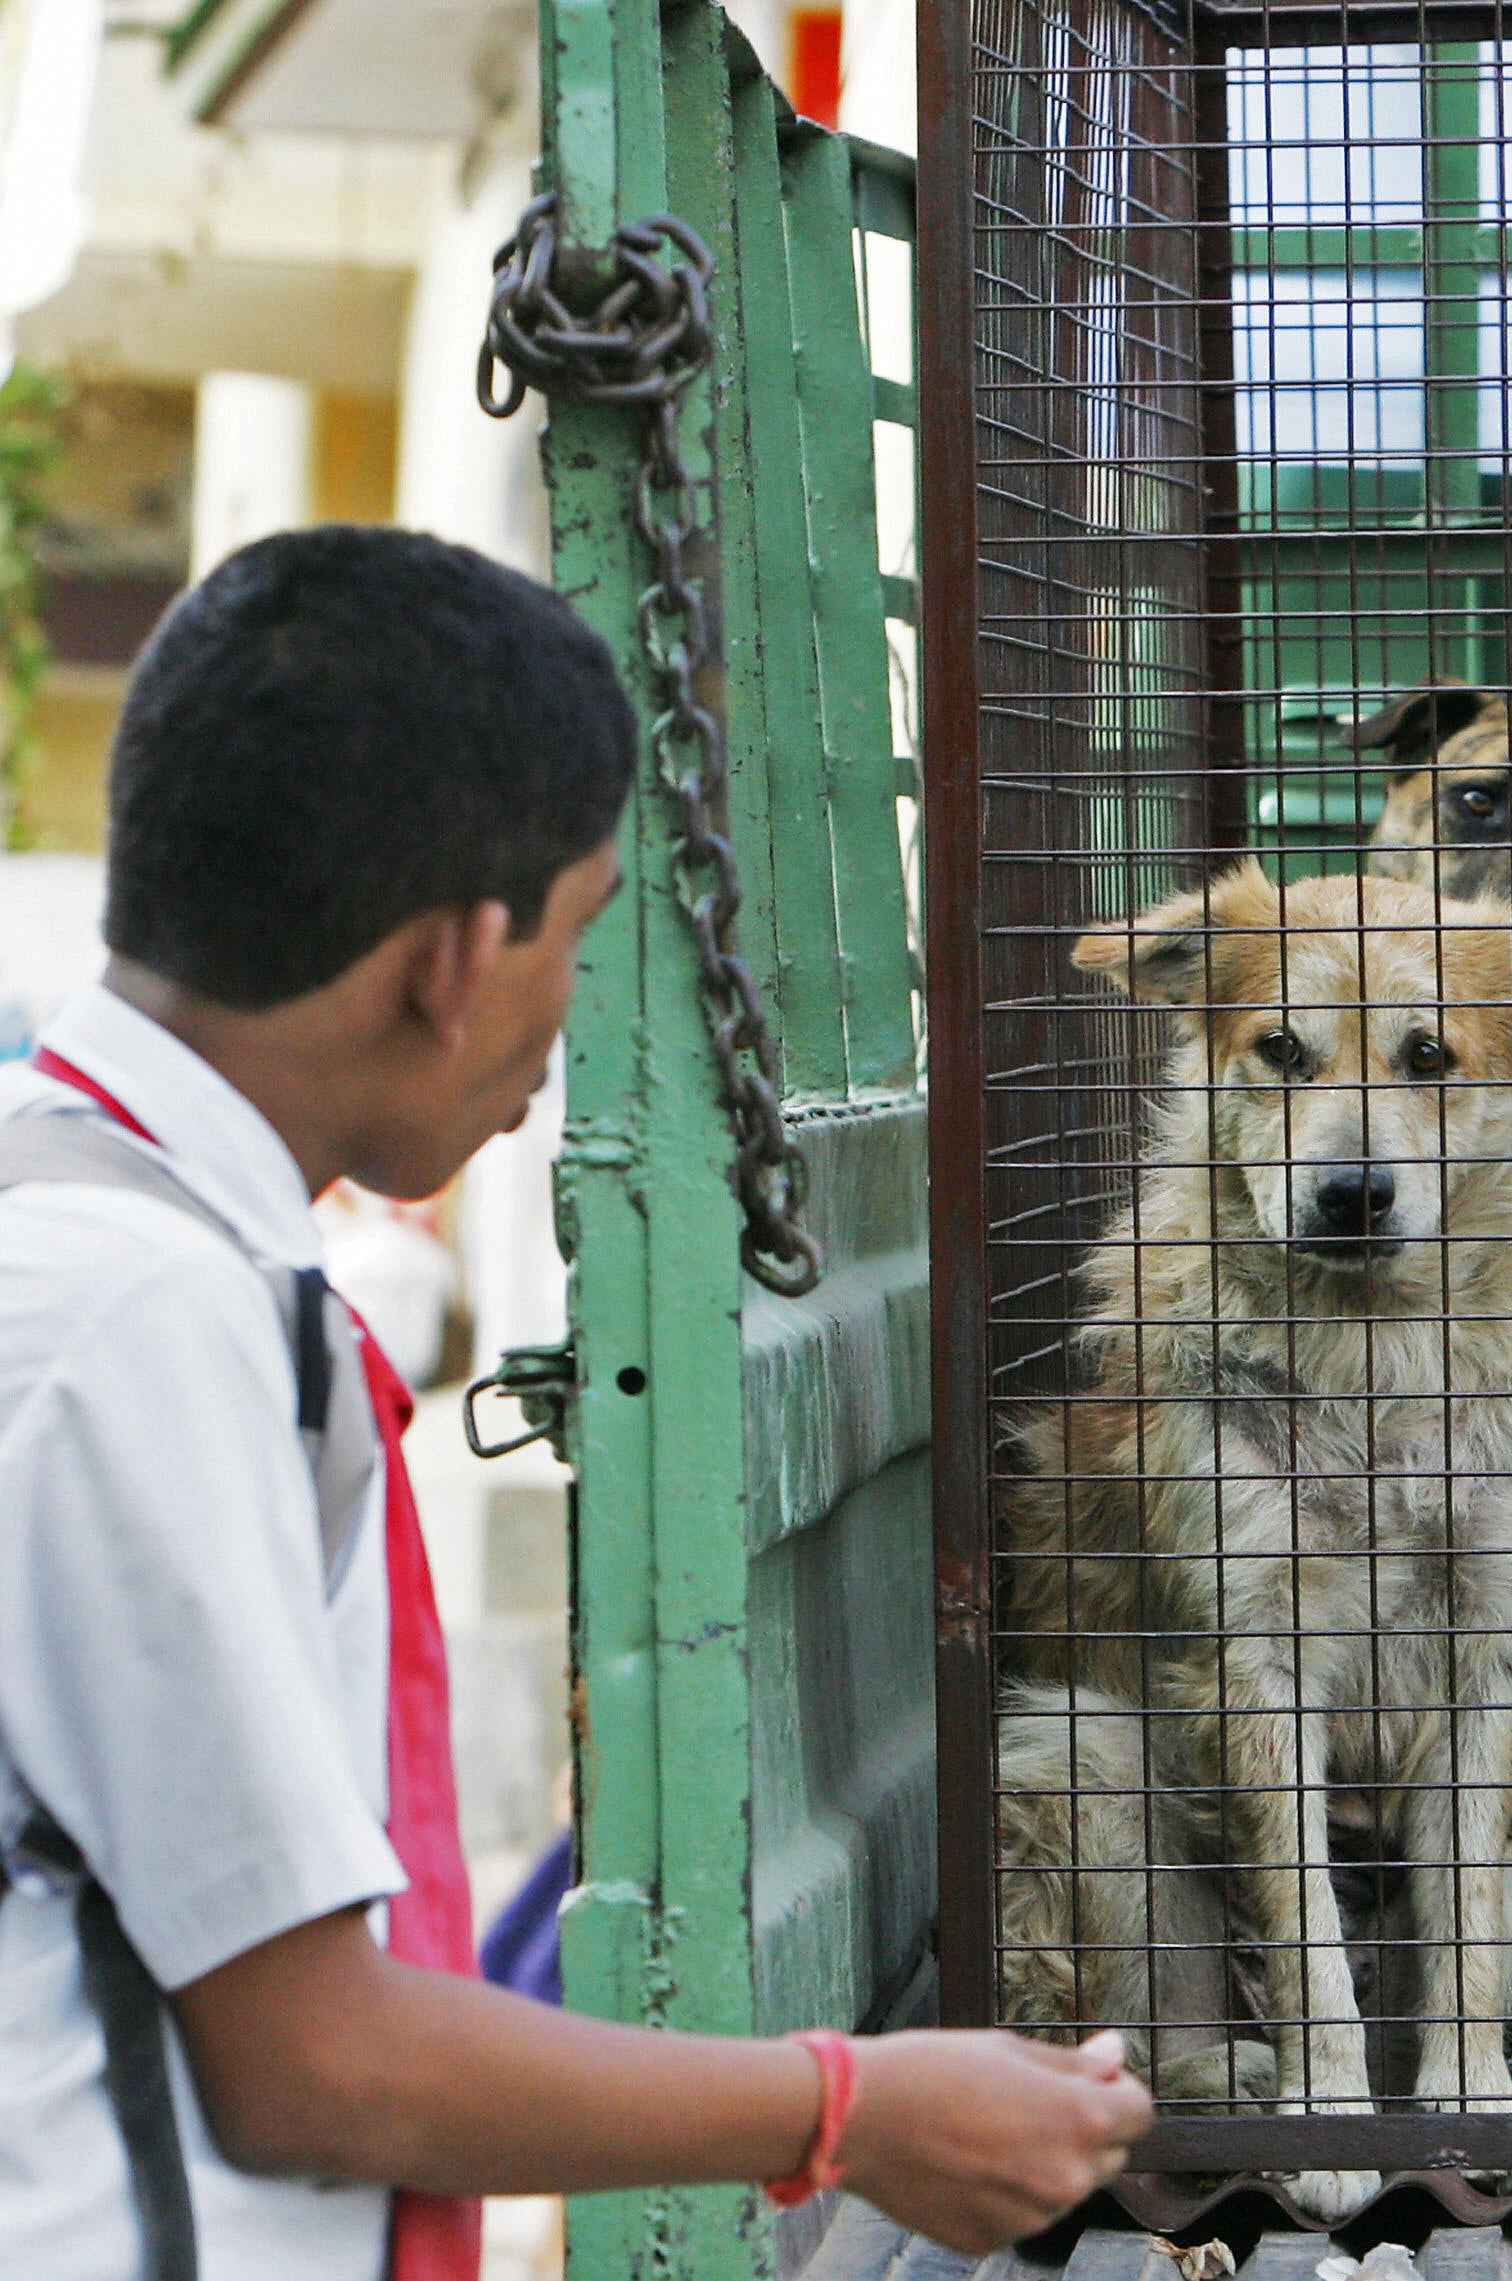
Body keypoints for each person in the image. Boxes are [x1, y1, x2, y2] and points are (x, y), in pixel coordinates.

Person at [0, 527, 1151, 2281]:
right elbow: (316, 2062)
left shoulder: (89, 1235)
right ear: (459, 957)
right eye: (585, 930)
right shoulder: (131, 1317)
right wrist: (847, 2108)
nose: (563, 1023)